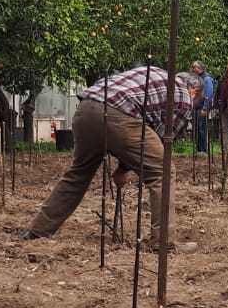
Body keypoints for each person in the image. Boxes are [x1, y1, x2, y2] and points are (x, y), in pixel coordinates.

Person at [20, 65, 201, 240]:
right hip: (118, 114)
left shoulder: (154, 72)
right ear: (194, 90)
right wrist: (124, 170)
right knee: (163, 171)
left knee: (78, 174)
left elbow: (142, 138)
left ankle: (38, 230)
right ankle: (164, 244)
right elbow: (161, 141)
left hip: (86, 109)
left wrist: (124, 167)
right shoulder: (184, 96)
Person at [189, 61, 215, 153]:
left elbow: (209, 93)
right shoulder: (196, 78)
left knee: (202, 128)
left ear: (200, 68)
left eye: (194, 67)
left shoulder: (206, 79)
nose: (193, 69)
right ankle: (199, 149)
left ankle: (203, 149)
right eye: (193, 67)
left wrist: (205, 108)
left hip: (202, 107)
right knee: (197, 128)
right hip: (196, 106)